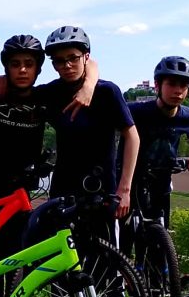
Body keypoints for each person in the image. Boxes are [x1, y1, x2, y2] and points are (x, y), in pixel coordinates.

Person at [39, 26, 139, 226]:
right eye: (59, 60)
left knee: (105, 252)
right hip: (64, 188)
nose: (67, 65)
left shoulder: (107, 92)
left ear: (85, 57)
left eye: (73, 58)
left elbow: (132, 137)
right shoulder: (50, 93)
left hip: (103, 187)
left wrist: (124, 189)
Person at [124, 56, 189, 225]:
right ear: (157, 85)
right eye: (171, 84)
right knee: (124, 239)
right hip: (129, 182)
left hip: (161, 183)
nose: (178, 91)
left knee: (161, 236)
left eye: (183, 85)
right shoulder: (137, 111)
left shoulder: (186, 116)